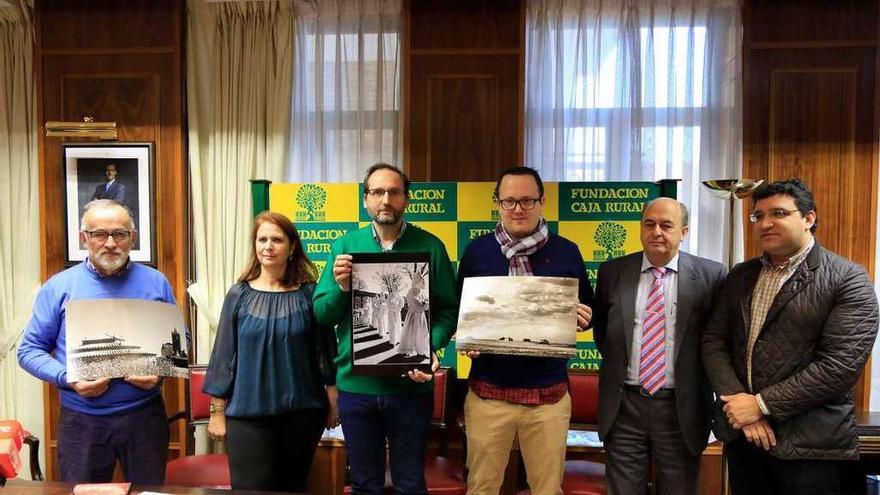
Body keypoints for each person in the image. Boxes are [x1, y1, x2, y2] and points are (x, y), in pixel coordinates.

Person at [702, 179, 879, 495]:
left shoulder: (849, 279)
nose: (765, 223)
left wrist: (760, 405)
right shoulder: (741, 276)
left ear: (809, 218)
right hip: (745, 439)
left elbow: (838, 367)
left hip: (812, 447)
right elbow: (713, 341)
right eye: (758, 216)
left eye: (779, 213)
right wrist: (741, 408)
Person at [313, 163, 459, 495]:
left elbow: (447, 312)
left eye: (394, 192)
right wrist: (342, 287)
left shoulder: (431, 246)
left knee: (410, 483)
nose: (385, 200)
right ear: (366, 199)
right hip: (356, 388)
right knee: (365, 484)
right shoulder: (344, 247)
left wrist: (428, 348)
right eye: (377, 192)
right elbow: (322, 314)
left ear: (406, 199)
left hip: (410, 389)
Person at [456, 166, 593, 495]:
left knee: (547, 490)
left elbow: (590, 312)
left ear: (542, 201)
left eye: (528, 201)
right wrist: (468, 340)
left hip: (549, 398)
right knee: (482, 488)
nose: (518, 209)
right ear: (498, 203)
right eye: (510, 201)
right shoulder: (477, 251)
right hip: (488, 395)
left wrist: (585, 316)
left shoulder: (567, 251)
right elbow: (462, 314)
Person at [18, 199, 174, 484]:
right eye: (100, 234)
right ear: (84, 238)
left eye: (120, 234)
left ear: (133, 238)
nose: (111, 243)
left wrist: (160, 372)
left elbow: (177, 343)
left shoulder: (157, 283)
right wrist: (68, 378)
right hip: (81, 422)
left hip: (145, 419)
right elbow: (28, 350)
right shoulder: (59, 286)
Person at [592, 197, 727, 494]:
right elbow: (603, 333)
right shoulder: (612, 272)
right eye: (649, 224)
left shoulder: (712, 275)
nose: (657, 232)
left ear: (684, 232)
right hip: (624, 406)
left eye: (667, 225)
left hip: (681, 407)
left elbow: (718, 340)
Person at [202, 211, 338, 492]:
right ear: (255, 246)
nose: (268, 246)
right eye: (262, 239)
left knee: (292, 488)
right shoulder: (238, 295)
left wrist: (334, 401)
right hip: (247, 416)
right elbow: (224, 355)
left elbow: (325, 351)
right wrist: (217, 411)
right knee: (250, 489)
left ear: (292, 247)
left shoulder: (310, 294)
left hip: (303, 413)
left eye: (277, 239)